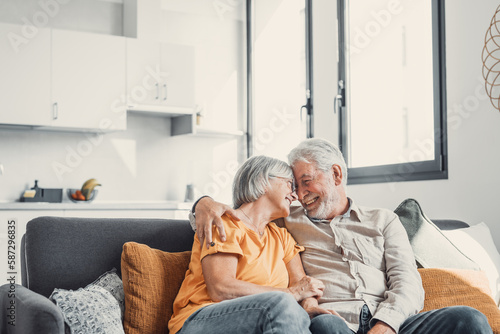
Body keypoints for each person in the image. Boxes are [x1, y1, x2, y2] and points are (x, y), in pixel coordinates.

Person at [191, 138, 493, 334]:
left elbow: (407, 282)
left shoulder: (384, 220)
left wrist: (386, 324)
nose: (299, 194)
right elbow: (244, 213)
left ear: (336, 175)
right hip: (335, 322)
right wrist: (201, 203)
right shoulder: (285, 221)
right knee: (326, 327)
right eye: (294, 185)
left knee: (469, 319)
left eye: (306, 181)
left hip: (389, 323)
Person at [168, 155, 330, 334]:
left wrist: (309, 306)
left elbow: (302, 284)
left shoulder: (282, 237)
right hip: (201, 319)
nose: (295, 195)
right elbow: (220, 288)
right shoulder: (223, 222)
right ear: (262, 181)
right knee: (282, 303)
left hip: (264, 320)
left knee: (326, 324)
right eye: (290, 185)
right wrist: (291, 294)